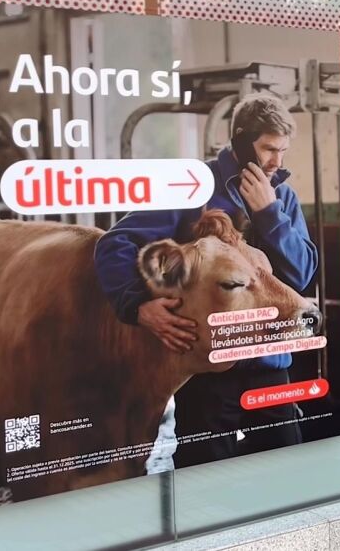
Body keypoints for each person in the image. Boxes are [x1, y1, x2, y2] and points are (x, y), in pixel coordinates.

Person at [94, 92, 318, 467]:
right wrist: (137, 305)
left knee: (289, 468)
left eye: (282, 150)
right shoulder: (194, 186)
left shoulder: (282, 197)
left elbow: (303, 273)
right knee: (204, 476)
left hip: (269, 363)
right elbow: (114, 244)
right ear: (242, 142)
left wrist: (270, 214)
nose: (277, 162)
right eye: (268, 149)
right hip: (207, 368)